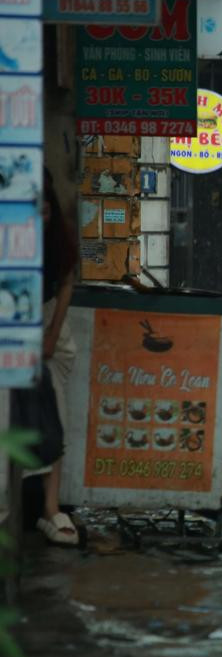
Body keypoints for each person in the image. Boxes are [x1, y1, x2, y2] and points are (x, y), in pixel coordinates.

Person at [37, 170, 80, 546]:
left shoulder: (58, 243)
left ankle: (51, 507)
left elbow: (67, 281)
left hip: (47, 322)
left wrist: (51, 333)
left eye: (45, 211)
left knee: (56, 416)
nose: (39, 218)